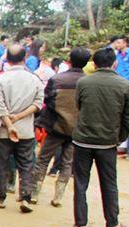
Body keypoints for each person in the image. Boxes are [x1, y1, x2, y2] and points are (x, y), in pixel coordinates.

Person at [72, 47, 129, 227]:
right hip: (107, 142)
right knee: (109, 183)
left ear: (94, 64)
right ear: (115, 63)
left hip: (83, 140)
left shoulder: (83, 82)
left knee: (80, 182)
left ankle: (80, 222)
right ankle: (112, 222)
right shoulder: (125, 85)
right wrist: (119, 137)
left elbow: (79, 106)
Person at [29, 47, 89, 207]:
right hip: (76, 129)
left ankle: (34, 194)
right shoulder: (87, 82)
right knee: (67, 162)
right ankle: (58, 197)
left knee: (43, 159)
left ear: (69, 61)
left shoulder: (57, 79)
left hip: (56, 127)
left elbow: (47, 100)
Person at [0, 44, 44, 212]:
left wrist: (9, 124)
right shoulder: (34, 79)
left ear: (7, 59)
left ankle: (0, 196)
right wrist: (19, 117)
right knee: (26, 164)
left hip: (4, 131)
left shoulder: (1, 79)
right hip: (26, 130)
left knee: (1, 164)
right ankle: (26, 197)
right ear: (24, 58)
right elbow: (38, 103)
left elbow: (0, 106)